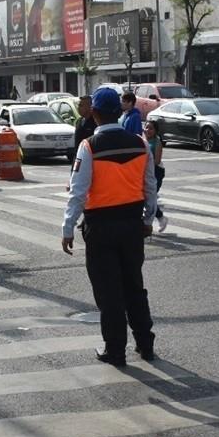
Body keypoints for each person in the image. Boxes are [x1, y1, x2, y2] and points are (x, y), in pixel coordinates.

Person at [61, 87, 158, 366]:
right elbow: (150, 187)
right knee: (134, 286)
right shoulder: (140, 144)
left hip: (101, 227)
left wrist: (68, 228)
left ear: (95, 113)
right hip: (131, 226)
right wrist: (148, 220)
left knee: (109, 292)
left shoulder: (89, 146)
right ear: (120, 111)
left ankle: (115, 350)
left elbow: (78, 192)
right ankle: (145, 343)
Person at [143, 120, 168, 233]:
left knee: (150, 197)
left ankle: (161, 218)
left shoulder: (157, 142)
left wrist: (144, 164)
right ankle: (158, 218)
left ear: (156, 131)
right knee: (144, 197)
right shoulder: (142, 140)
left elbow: (157, 161)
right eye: (146, 127)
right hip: (144, 171)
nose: (148, 130)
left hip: (156, 172)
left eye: (151, 128)